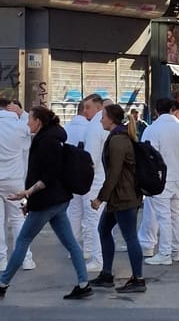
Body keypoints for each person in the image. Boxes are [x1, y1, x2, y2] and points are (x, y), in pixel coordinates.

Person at [0, 107, 91, 300]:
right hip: (58, 200)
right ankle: (83, 283)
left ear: (38, 122)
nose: (27, 123)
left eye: (30, 120)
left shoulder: (47, 142)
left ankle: (3, 282)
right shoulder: (51, 137)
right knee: (71, 243)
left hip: (47, 201)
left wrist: (28, 193)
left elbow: (48, 175)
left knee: (23, 240)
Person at [89, 104, 146, 293]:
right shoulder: (116, 137)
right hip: (119, 196)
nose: (100, 120)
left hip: (124, 197)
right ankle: (106, 274)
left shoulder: (118, 140)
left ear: (111, 119)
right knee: (103, 229)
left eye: (103, 116)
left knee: (130, 237)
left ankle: (138, 279)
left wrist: (100, 198)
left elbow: (114, 173)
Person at [137, 98, 179, 266]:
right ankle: (176, 250)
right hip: (177, 179)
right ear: (173, 109)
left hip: (159, 180)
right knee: (174, 217)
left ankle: (165, 253)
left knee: (163, 217)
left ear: (156, 111)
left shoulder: (152, 129)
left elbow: (147, 156)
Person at [68, 93, 107, 273]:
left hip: (93, 183)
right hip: (102, 180)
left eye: (88, 107)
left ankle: (97, 259)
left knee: (92, 221)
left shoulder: (94, 127)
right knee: (97, 221)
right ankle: (93, 253)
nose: (85, 111)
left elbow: (91, 159)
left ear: (99, 108)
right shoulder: (104, 126)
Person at [0, 98, 35, 272]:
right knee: (18, 219)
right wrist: (21, 113)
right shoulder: (20, 126)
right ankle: (25, 258)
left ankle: (1, 260)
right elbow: (35, 125)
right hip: (15, 180)